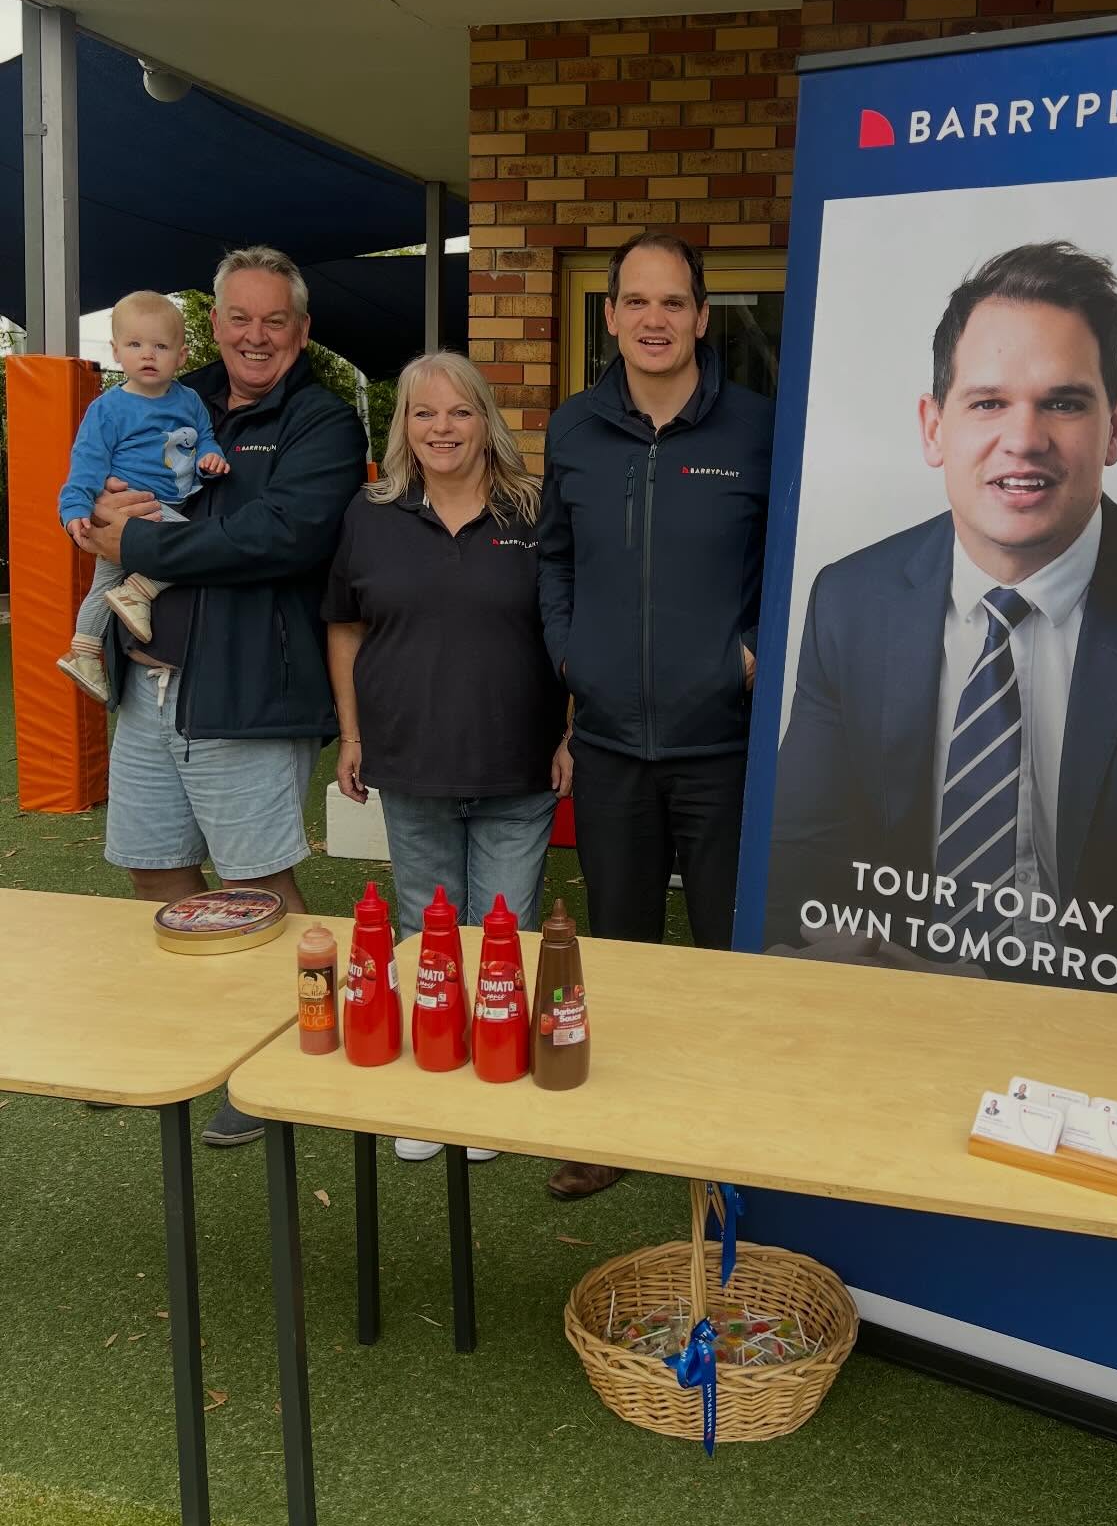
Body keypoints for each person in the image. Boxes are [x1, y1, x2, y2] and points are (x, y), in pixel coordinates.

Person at [764, 240, 1117, 1006]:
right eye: (987, 402)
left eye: (1063, 401)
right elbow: (800, 862)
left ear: (1116, 424)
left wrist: (982, 984)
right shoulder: (851, 600)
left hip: (1116, 1040)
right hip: (893, 1011)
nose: (1023, 438)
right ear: (934, 427)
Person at [85, 245, 368, 1144]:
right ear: (214, 323)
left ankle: (285, 1055)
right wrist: (103, 516)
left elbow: (280, 539)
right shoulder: (174, 395)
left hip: (250, 691)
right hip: (150, 688)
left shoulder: (322, 422)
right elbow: (103, 495)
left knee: (256, 882)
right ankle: (196, 1040)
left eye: (274, 320)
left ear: (302, 330)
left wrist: (134, 546)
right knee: (153, 864)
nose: (255, 336)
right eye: (238, 318)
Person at [538, 230, 773, 1198]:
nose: (654, 320)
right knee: (620, 943)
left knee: (724, 955)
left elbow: (797, 554)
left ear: (703, 317)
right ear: (609, 316)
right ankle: (615, 1132)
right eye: (636, 302)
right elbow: (555, 556)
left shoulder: (758, 427)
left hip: (722, 742)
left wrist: (752, 649)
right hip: (608, 742)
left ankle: (719, 1143)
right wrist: (572, 654)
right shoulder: (574, 428)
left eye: (672, 303)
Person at [325, 350, 571, 1164]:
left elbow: (567, 630)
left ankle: (492, 1085)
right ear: (403, 426)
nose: (441, 428)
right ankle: (432, 1084)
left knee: (507, 934)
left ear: (485, 420)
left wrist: (568, 733)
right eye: (423, 414)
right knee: (424, 930)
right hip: (410, 757)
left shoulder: (535, 511)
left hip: (518, 763)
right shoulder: (371, 512)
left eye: (459, 412)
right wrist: (353, 734)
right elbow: (346, 625)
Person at [56, 292, 230, 702]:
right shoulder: (108, 409)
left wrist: (212, 455)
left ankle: (83, 651)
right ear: (116, 351)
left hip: (172, 501)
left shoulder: (188, 400)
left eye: (160, 346)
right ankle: (140, 590)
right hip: (140, 506)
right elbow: (86, 462)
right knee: (196, 550)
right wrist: (75, 507)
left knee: (103, 585)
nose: (147, 355)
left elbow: (205, 436)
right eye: (135, 345)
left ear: (181, 355)